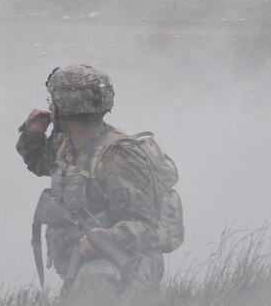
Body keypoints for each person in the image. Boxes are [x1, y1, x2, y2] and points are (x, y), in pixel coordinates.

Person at [16, 64, 167, 294]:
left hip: (126, 266)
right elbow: (39, 164)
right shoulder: (64, 143)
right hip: (81, 264)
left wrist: (110, 237)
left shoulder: (117, 157)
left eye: (53, 99)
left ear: (67, 106)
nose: (49, 106)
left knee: (92, 284)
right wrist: (32, 135)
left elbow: (151, 227)